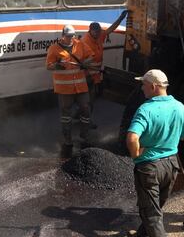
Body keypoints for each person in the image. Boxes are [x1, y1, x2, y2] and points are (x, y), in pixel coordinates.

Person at [125, 69, 184, 237]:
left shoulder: (145, 109)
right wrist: (168, 135)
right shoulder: (180, 107)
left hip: (149, 168)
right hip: (171, 166)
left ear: (154, 86)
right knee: (155, 207)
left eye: (144, 84)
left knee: (152, 213)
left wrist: (136, 155)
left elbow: (132, 138)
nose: (142, 88)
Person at [45, 25, 95, 157]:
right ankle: (68, 139)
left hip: (80, 87)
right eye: (68, 36)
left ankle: (84, 136)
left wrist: (85, 63)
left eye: (72, 35)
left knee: (85, 109)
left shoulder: (80, 45)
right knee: (66, 115)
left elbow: (91, 56)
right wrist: (58, 65)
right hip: (64, 89)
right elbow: (48, 66)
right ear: (63, 35)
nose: (70, 38)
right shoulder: (54, 49)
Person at [81, 10, 129, 127]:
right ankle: (86, 122)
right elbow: (83, 62)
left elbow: (110, 29)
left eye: (98, 32)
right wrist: (89, 74)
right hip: (87, 76)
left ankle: (81, 116)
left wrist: (121, 18)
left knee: (88, 100)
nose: (98, 34)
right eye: (95, 32)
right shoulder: (85, 42)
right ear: (90, 30)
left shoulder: (98, 36)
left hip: (95, 75)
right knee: (89, 100)